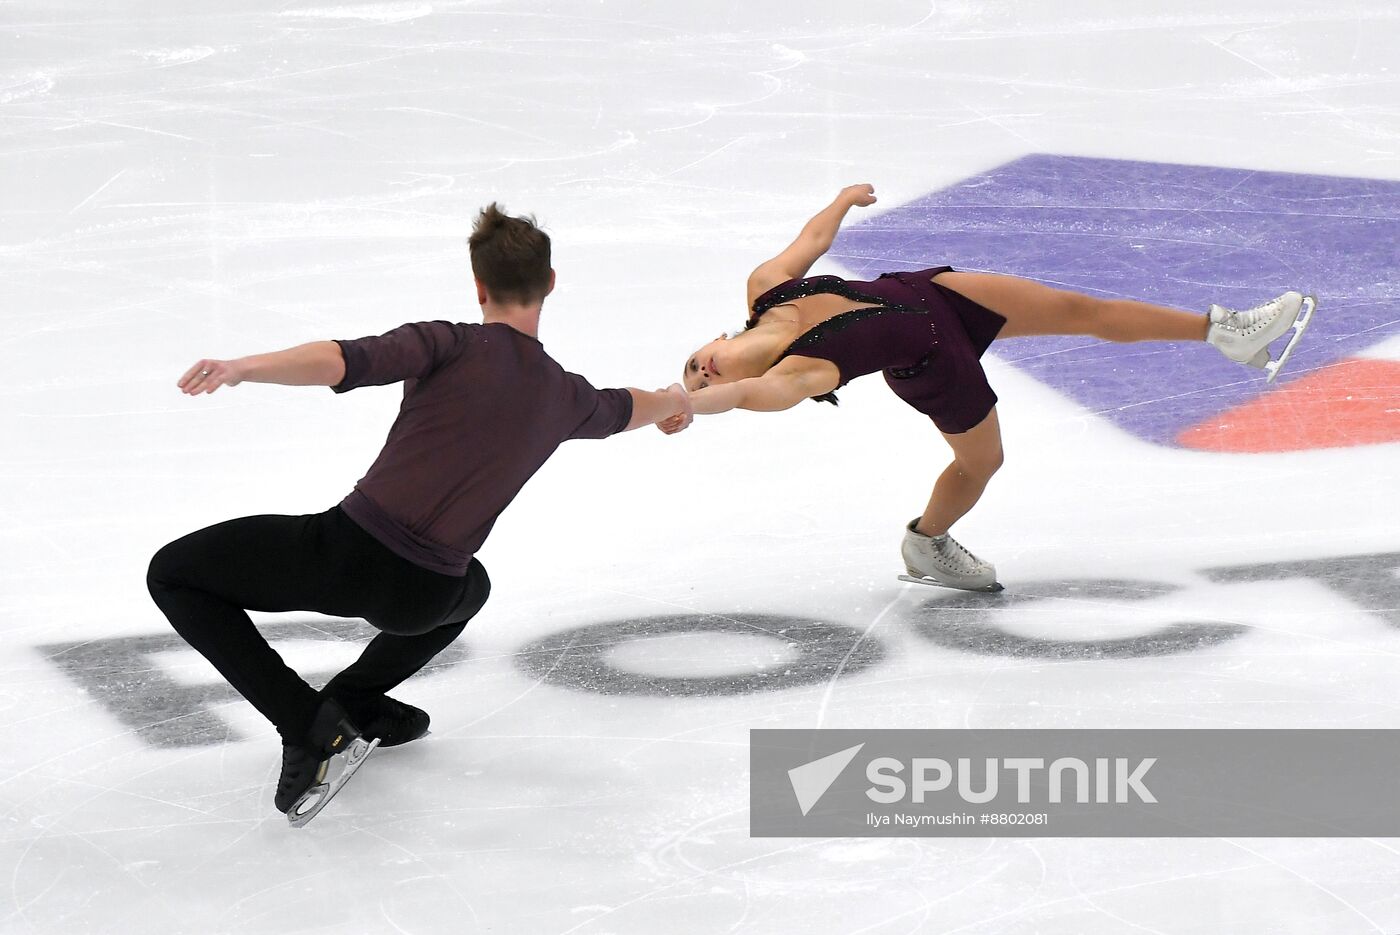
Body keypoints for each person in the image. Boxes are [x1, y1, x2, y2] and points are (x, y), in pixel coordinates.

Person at [147, 204, 693, 822]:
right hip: (426, 596)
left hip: (345, 555)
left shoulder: (449, 343)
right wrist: (677, 401)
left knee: (173, 572)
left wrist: (245, 367)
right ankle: (353, 702)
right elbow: (630, 407)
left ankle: (306, 723)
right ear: (550, 283)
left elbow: (343, 359)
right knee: (473, 585)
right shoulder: (566, 395)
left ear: (478, 286)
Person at [670, 184, 1313, 592]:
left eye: (695, 364)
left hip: (933, 294)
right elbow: (741, 398)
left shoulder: (766, 288)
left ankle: (1228, 332)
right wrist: (687, 402)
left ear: (711, 339)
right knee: (984, 463)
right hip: (932, 361)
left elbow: (809, 241)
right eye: (700, 380)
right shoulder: (797, 374)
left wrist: (841, 200)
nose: (705, 373)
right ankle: (927, 541)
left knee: (1077, 309)